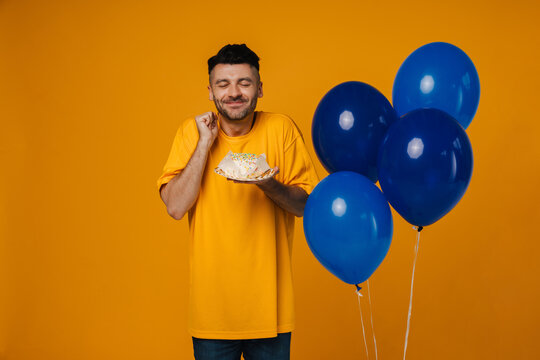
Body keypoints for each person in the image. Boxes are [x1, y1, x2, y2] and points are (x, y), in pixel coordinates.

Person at [157, 44, 318, 360]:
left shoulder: (281, 129)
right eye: (224, 84)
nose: (234, 92)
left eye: (244, 83)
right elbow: (175, 207)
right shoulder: (191, 133)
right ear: (210, 91)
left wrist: (269, 185)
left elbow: (306, 206)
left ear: (260, 89)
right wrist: (205, 144)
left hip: (271, 314)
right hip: (212, 316)